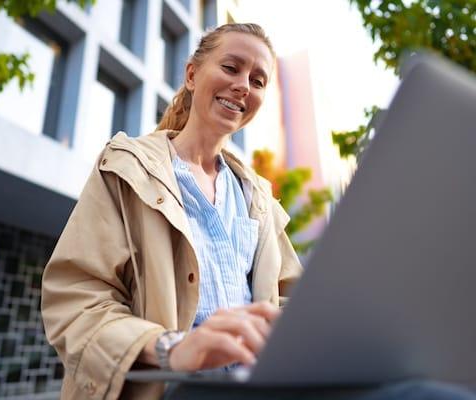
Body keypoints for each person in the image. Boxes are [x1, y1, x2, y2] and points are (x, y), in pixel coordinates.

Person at [40, 23, 476, 400]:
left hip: (258, 387)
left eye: (258, 80)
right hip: (174, 388)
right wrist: (171, 347)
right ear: (192, 74)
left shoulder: (258, 198)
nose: (243, 86)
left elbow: (296, 305)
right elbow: (75, 302)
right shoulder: (125, 166)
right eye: (231, 68)